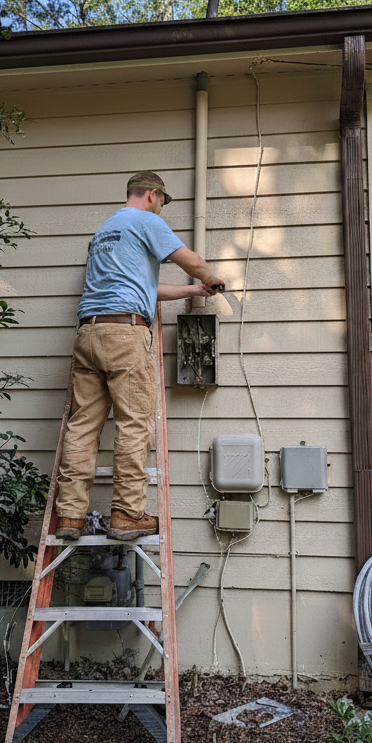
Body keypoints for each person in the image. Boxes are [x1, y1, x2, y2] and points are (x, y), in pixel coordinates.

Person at [55, 171, 224, 542]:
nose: (162, 209)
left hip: (89, 332)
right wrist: (209, 277)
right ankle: (128, 514)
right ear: (152, 194)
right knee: (134, 424)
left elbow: (145, 287)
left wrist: (194, 290)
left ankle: (69, 515)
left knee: (82, 426)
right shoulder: (146, 221)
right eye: (163, 201)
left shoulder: (105, 231)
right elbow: (189, 259)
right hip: (125, 335)